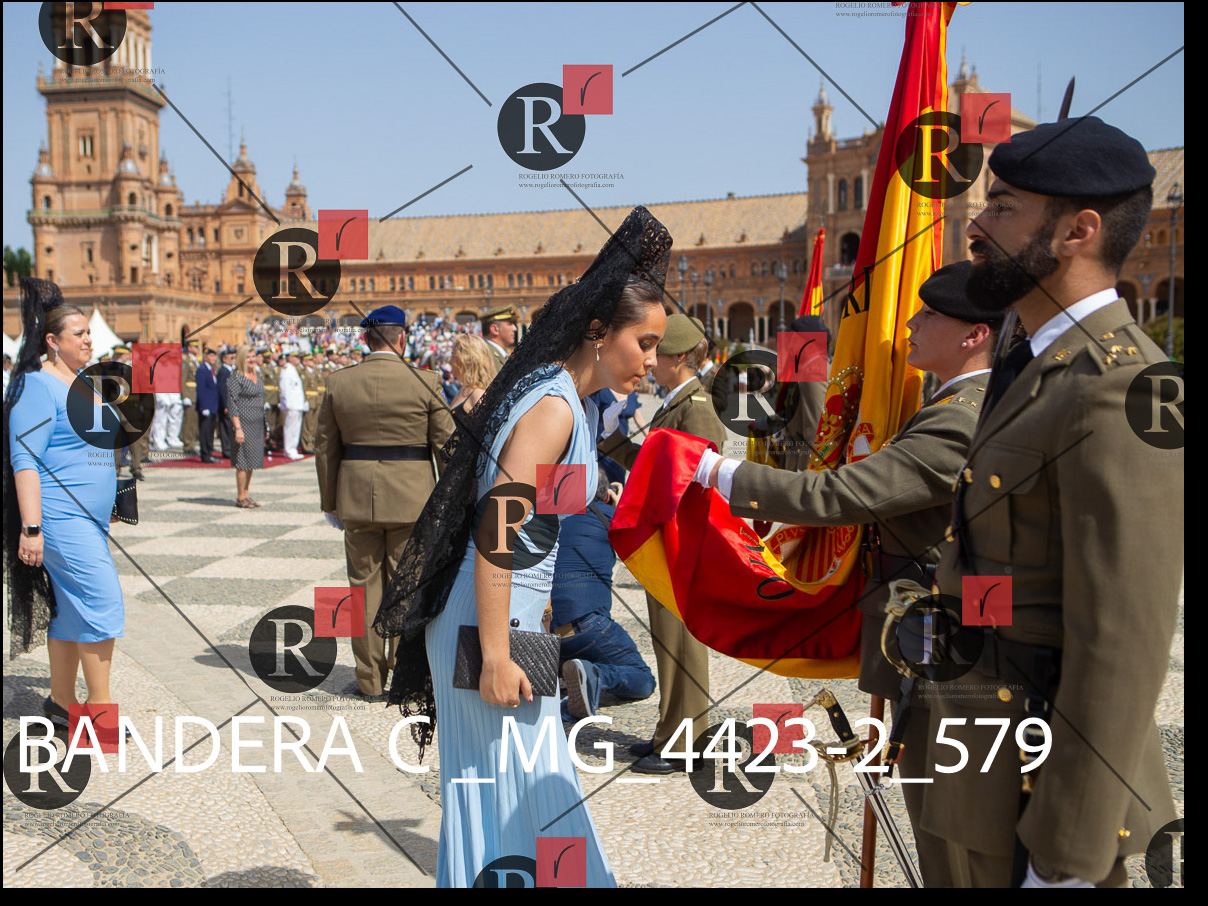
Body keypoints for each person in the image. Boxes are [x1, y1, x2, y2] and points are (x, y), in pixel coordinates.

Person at [376, 205, 671, 888]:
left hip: (513, 618)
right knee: (505, 799)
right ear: (599, 332)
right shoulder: (555, 407)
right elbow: (497, 530)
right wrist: (497, 655)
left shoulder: (561, 396)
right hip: (489, 629)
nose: (653, 360)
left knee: (533, 795)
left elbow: (539, 513)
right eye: (645, 342)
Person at [925, 117, 1182, 888]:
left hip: (1042, 798)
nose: (976, 228)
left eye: (1002, 208)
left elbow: (1121, 639)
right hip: (984, 762)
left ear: (1078, 231)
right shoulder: (1037, 365)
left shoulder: (1120, 385)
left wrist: (1067, 858)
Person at [695, 262, 999, 872]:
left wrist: (715, 471)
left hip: (942, 639)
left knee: (949, 829)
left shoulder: (960, 415)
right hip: (932, 628)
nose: (909, 324)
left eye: (929, 315)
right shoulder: (955, 401)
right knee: (939, 816)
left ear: (975, 335)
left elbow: (842, 488)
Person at [598, 313, 728, 775]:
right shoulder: (678, 403)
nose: (651, 362)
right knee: (667, 641)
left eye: (659, 353)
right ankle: (668, 731)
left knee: (682, 643)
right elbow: (655, 464)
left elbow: (695, 481)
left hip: (682, 539)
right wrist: (612, 438)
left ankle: (687, 744)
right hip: (667, 537)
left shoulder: (697, 408)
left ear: (680, 357)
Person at [315, 305, 454, 700]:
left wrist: (330, 503)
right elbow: (447, 445)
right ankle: (406, 674)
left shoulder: (339, 382)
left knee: (360, 589)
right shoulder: (425, 380)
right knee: (408, 584)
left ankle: (369, 680)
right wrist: (451, 499)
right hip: (412, 498)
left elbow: (324, 447)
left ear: (366, 339)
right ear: (402, 338)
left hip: (357, 498)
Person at [4, 278, 124, 722]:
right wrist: (31, 528)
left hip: (90, 518)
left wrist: (114, 494)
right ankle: (100, 713)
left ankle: (60, 702)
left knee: (73, 609)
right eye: (80, 334)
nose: (89, 339)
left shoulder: (81, 382)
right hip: (59, 516)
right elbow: (25, 459)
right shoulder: (38, 385)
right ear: (53, 341)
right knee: (103, 602)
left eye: (90, 332)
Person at [554, 469, 656, 721]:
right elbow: (645, 546)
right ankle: (594, 675)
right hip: (587, 626)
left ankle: (565, 674)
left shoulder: (546, 517)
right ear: (607, 494)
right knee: (643, 679)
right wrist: (622, 509)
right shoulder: (608, 516)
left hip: (542, 631)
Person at [227, 345, 266, 508]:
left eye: (253, 356)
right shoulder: (236, 378)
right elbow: (232, 404)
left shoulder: (257, 376)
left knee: (252, 461)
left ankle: (247, 494)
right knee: (242, 462)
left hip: (257, 425)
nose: (251, 360)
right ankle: (240, 496)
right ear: (242, 359)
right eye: (248, 357)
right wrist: (238, 428)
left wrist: (266, 426)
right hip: (243, 425)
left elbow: (261, 402)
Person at [447, 333, 494, 420]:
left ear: (465, 360)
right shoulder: (464, 389)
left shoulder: (478, 396)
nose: (450, 361)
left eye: (453, 356)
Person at [279, 350, 307, 460]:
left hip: (297, 404)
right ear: (290, 358)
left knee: (295, 428)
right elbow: (285, 388)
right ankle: (289, 449)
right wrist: (287, 403)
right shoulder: (287, 370)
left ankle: (292, 448)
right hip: (291, 405)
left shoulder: (293, 370)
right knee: (290, 428)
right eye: (296, 357)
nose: (298, 359)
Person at [196, 347, 220, 463]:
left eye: (214, 356)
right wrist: (204, 406)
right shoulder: (202, 369)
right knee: (205, 431)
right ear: (205, 357)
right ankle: (205, 454)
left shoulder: (211, 369)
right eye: (211, 356)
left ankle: (210, 452)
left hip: (212, 405)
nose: (214, 358)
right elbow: (201, 389)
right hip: (206, 406)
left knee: (210, 431)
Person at [479, 305, 518, 371]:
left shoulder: (500, 354)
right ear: (495, 329)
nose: (515, 328)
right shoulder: (486, 357)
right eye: (509, 324)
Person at [180, 338, 200, 455]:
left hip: (196, 394)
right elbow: (182, 379)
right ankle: (188, 444)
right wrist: (184, 396)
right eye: (194, 346)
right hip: (189, 394)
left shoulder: (196, 361)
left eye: (197, 346)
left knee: (194, 421)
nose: (197, 349)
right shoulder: (186, 362)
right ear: (189, 348)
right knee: (189, 421)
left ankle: (192, 443)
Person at [217, 349, 236, 460]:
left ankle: (231, 448)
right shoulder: (223, 371)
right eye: (231, 358)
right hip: (227, 404)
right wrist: (225, 405)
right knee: (226, 427)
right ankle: (227, 449)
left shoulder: (230, 370)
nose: (233, 360)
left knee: (231, 427)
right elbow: (223, 390)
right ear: (224, 359)